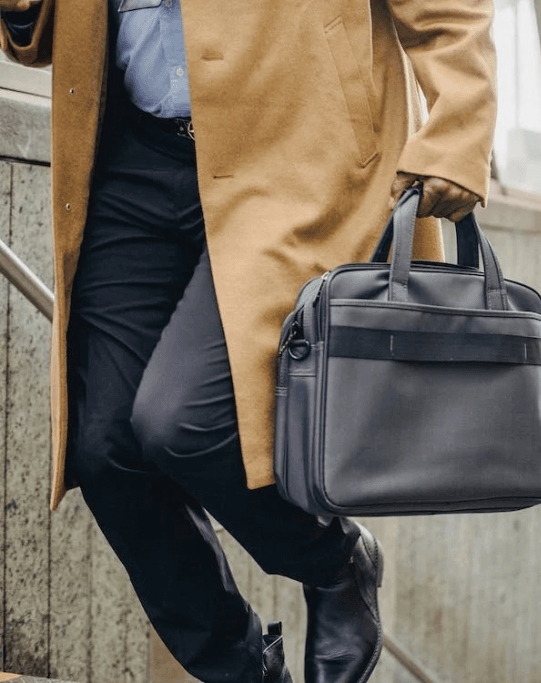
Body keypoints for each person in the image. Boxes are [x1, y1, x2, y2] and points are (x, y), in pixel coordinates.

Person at [0, 0, 496, 681]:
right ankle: (243, 670)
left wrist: (457, 132)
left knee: (182, 421)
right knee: (104, 446)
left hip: (290, 151)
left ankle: (335, 560)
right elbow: (45, 34)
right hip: (131, 150)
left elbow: (449, 9)